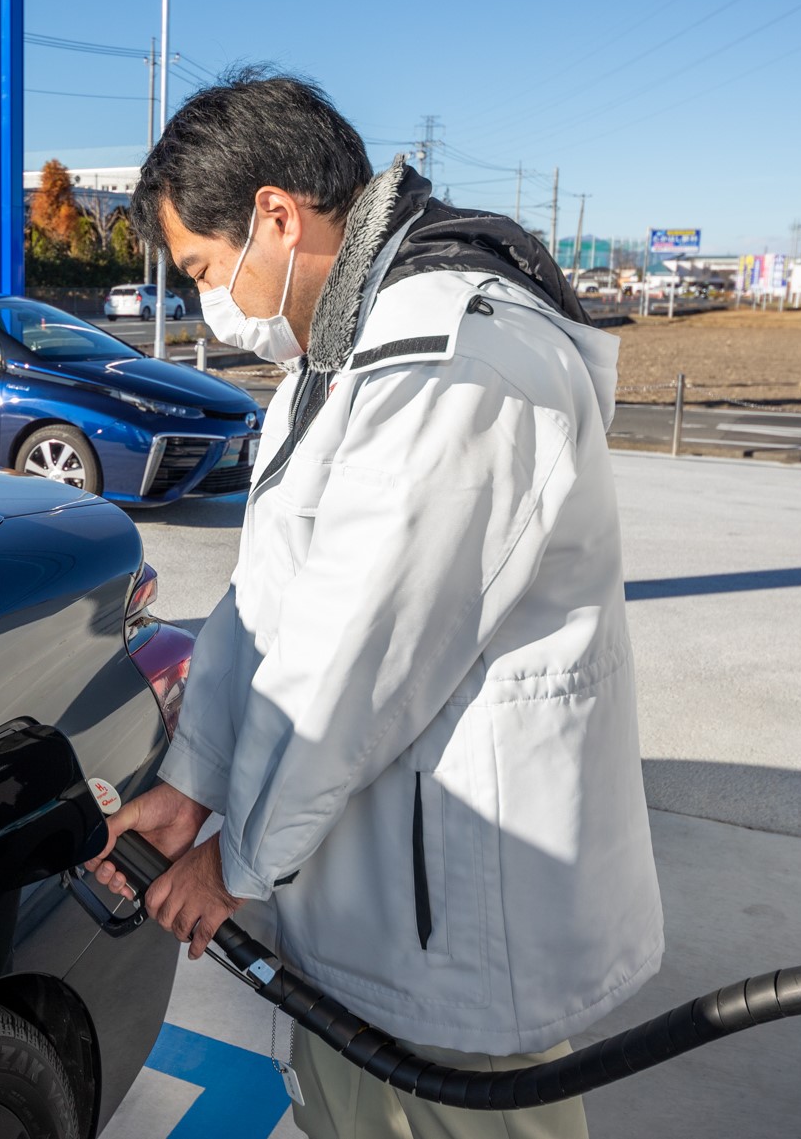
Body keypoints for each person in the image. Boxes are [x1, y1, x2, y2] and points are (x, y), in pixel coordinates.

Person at [88, 71, 661, 1138]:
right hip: (380, 889)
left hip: (460, 917)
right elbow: (270, 603)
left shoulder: (458, 359)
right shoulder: (344, 353)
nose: (215, 303)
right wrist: (192, 782)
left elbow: (356, 657)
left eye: (207, 269)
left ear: (276, 215)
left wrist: (236, 856)